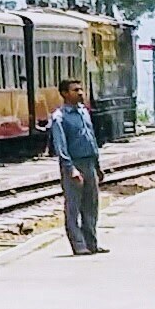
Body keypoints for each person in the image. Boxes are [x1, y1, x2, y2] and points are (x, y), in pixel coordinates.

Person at [49, 78, 103, 255]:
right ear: (65, 93)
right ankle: (78, 245)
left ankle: (92, 243)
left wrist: (97, 165)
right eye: (75, 90)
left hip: (89, 163)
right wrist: (70, 168)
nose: (80, 93)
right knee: (73, 206)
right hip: (74, 164)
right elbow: (61, 146)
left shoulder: (84, 112)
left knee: (91, 205)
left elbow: (92, 139)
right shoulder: (59, 118)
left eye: (81, 89)